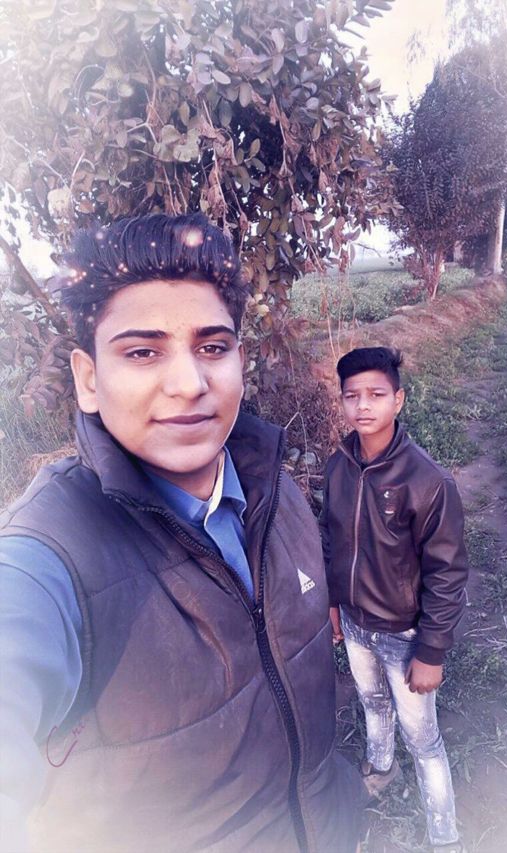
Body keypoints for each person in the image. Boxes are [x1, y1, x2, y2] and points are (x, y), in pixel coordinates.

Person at [0, 214, 364, 853]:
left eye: (213, 347)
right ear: (89, 379)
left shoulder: (275, 491)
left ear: (240, 360)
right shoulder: (48, 558)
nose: (190, 384)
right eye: (142, 352)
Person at [319, 346, 468, 853]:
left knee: (423, 739)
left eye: (376, 394)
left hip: (405, 634)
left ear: (398, 400)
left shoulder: (427, 481)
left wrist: (431, 651)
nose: (363, 406)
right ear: (342, 401)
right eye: (352, 396)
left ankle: (444, 834)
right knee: (372, 702)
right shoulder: (338, 467)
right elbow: (331, 540)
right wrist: (334, 601)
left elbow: (447, 573)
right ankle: (381, 770)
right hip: (356, 624)